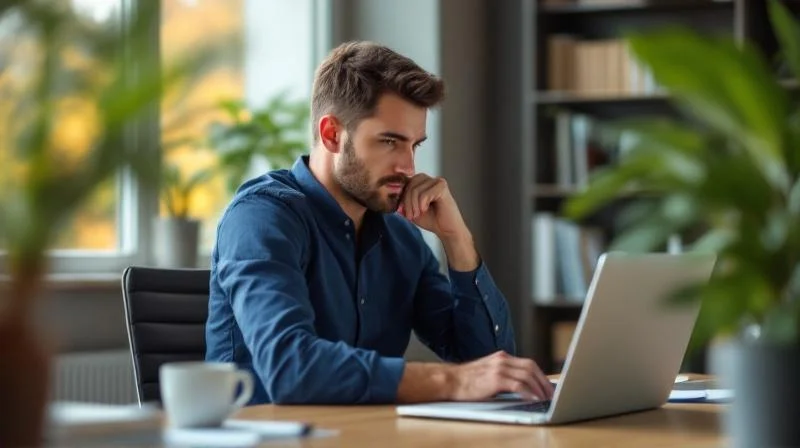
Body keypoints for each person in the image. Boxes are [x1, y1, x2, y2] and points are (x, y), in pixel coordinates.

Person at [205, 41, 554, 405]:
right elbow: (292, 369)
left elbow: (487, 365)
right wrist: (450, 381)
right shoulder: (261, 218)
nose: (408, 167)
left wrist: (458, 239)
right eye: (390, 141)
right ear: (332, 135)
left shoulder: (399, 235)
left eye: (414, 145)